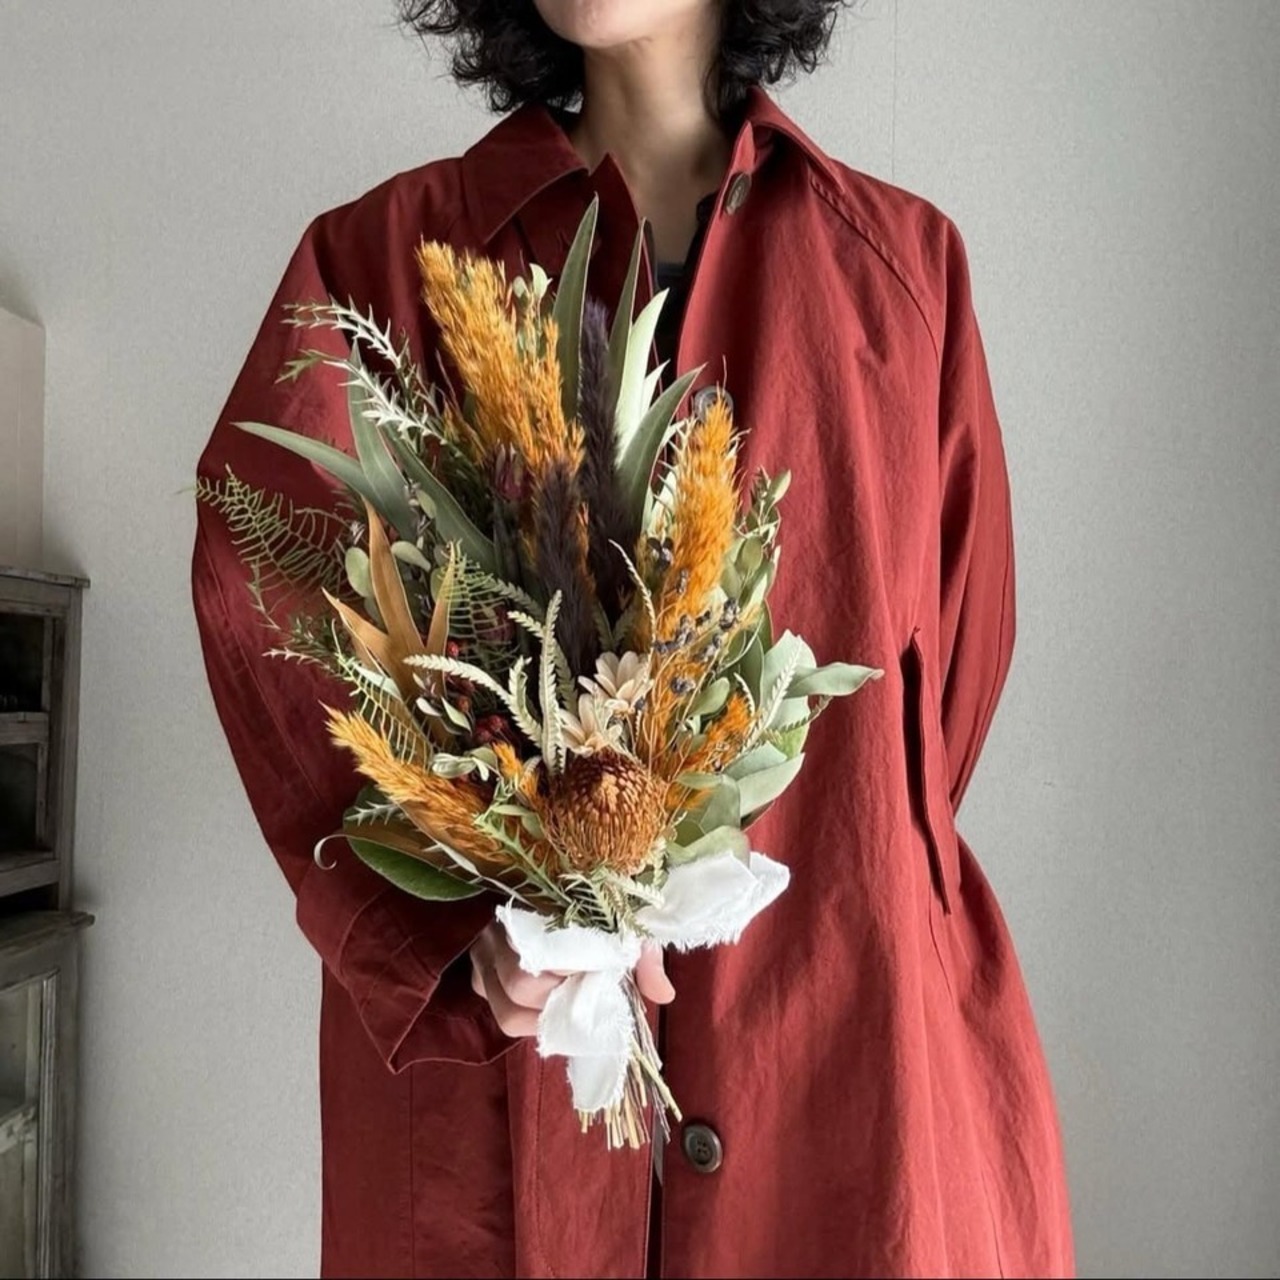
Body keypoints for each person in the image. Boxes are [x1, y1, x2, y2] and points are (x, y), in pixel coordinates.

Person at [191, 1, 1076, 1276]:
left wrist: (810, 856)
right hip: (500, 1118)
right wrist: (436, 928)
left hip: (848, 1101)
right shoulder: (377, 264)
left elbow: (933, 723)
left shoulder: (900, 274)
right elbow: (271, 616)